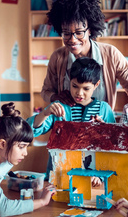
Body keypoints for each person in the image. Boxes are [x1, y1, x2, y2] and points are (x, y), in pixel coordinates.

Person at [28, 57, 114, 186]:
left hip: (93, 180)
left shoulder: (104, 109)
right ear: (69, 80)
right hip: (60, 177)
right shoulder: (58, 106)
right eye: (75, 86)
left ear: (96, 85)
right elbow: (30, 130)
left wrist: (100, 176)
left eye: (86, 89)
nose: (79, 93)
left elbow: (112, 147)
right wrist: (45, 113)